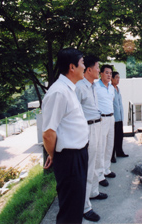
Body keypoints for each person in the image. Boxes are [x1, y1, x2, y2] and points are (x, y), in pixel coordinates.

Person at [42, 48, 89, 224]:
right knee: (70, 211)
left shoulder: (69, 89)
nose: (84, 67)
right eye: (82, 63)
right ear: (72, 67)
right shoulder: (58, 92)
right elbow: (48, 133)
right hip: (69, 158)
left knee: (76, 207)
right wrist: (55, 156)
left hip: (77, 155)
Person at [75, 55, 106, 222]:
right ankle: (85, 207)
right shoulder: (79, 87)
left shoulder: (92, 86)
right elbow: (75, 114)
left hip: (97, 125)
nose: (99, 70)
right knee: (87, 168)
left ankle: (93, 192)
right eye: (97, 67)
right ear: (88, 70)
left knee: (96, 163)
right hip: (87, 129)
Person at [94, 64, 116, 187]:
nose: (109, 75)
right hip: (101, 119)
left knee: (109, 145)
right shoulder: (95, 86)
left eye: (110, 73)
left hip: (111, 117)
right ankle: (99, 175)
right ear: (101, 73)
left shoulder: (111, 88)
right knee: (100, 147)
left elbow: (110, 102)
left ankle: (107, 169)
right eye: (106, 73)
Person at [111, 71, 129, 163]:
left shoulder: (118, 89)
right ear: (112, 78)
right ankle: (111, 155)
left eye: (119, 77)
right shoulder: (110, 89)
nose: (118, 79)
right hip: (113, 117)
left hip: (120, 117)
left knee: (119, 136)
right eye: (116, 77)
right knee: (113, 137)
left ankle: (119, 152)